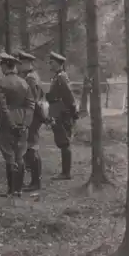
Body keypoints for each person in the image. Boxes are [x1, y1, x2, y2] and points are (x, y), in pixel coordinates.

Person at [0, 53, 35, 198]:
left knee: (9, 155)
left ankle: (11, 189)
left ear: (5, 66)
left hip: (8, 122)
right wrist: (26, 123)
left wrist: (10, 123)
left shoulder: (2, 83)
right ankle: (18, 190)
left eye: (1, 65)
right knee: (20, 155)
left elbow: (4, 107)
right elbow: (31, 105)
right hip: (22, 120)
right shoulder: (24, 82)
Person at [15, 50, 45, 192]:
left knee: (32, 148)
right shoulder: (33, 76)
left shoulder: (30, 79)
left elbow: (33, 101)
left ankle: (35, 182)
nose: (18, 66)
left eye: (20, 63)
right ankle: (34, 181)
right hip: (33, 115)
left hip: (32, 116)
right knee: (31, 147)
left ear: (27, 63)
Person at [46, 51, 78, 181]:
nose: (50, 64)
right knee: (62, 141)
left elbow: (69, 95)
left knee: (64, 141)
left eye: (52, 62)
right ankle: (65, 171)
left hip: (62, 112)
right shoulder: (57, 76)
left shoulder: (61, 77)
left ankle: (66, 172)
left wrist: (73, 111)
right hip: (57, 110)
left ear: (58, 64)